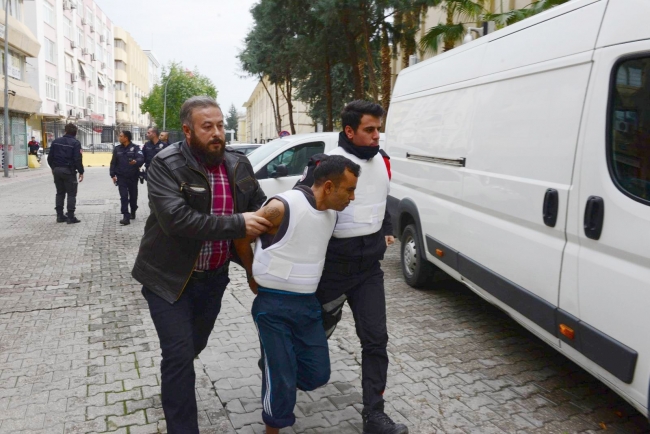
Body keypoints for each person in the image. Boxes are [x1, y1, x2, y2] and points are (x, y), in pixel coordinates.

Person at [131, 96, 270, 434]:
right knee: (178, 357)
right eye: (207, 126)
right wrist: (239, 224)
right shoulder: (165, 164)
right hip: (168, 279)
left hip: (214, 280)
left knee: (193, 347)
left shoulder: (238, 165)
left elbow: (261, 205)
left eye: (220, 125)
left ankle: (175, 382)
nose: (217, 132)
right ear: (188, 131)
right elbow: (177, 220)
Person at [296, 100, 407, 434]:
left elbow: (379, 198)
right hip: (330, 268)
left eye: (378, 129)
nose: (377, 136)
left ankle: (374, 415)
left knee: (375, 339)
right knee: (310, 334)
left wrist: (386, 228)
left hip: (368, 270)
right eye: (369, 130)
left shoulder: (383, 162)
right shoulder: (324, 164)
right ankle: (281, 369)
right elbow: (302, 204)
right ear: (349, 130)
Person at [234, 155, 360, 434]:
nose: (353, 197)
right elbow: (242, 234)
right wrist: (250, 272)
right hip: (273, 306)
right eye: (349, 190)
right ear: (328, 186)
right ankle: (274, 424)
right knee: (280, 377)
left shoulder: (330, 215)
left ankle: (276, 367)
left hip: (307, 306)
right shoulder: (282, 206)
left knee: (318, 373)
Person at [47, 123, 84, 224]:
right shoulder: (75, 143)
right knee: (71, 194)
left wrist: (53, 168)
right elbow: (77, 159)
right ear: (75, 133)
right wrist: (81, 171)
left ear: (65, 131)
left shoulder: (55, 142)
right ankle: (70, 217)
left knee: (60, 193)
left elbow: (50, 157)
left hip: (57, 170)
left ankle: (59, 216)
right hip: (68, 171)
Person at [110, 131, 144, 225]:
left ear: (126, 138)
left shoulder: (135, 148)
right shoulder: (117, 149)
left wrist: (136, 161)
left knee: (133, 197)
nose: (119, 137)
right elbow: (113, 163)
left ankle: (133, 209)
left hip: (133, 177)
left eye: (121, 136)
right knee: (123, 196)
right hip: (121, 177)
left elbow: (141, 158)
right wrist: (112, 175)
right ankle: (126, 216)